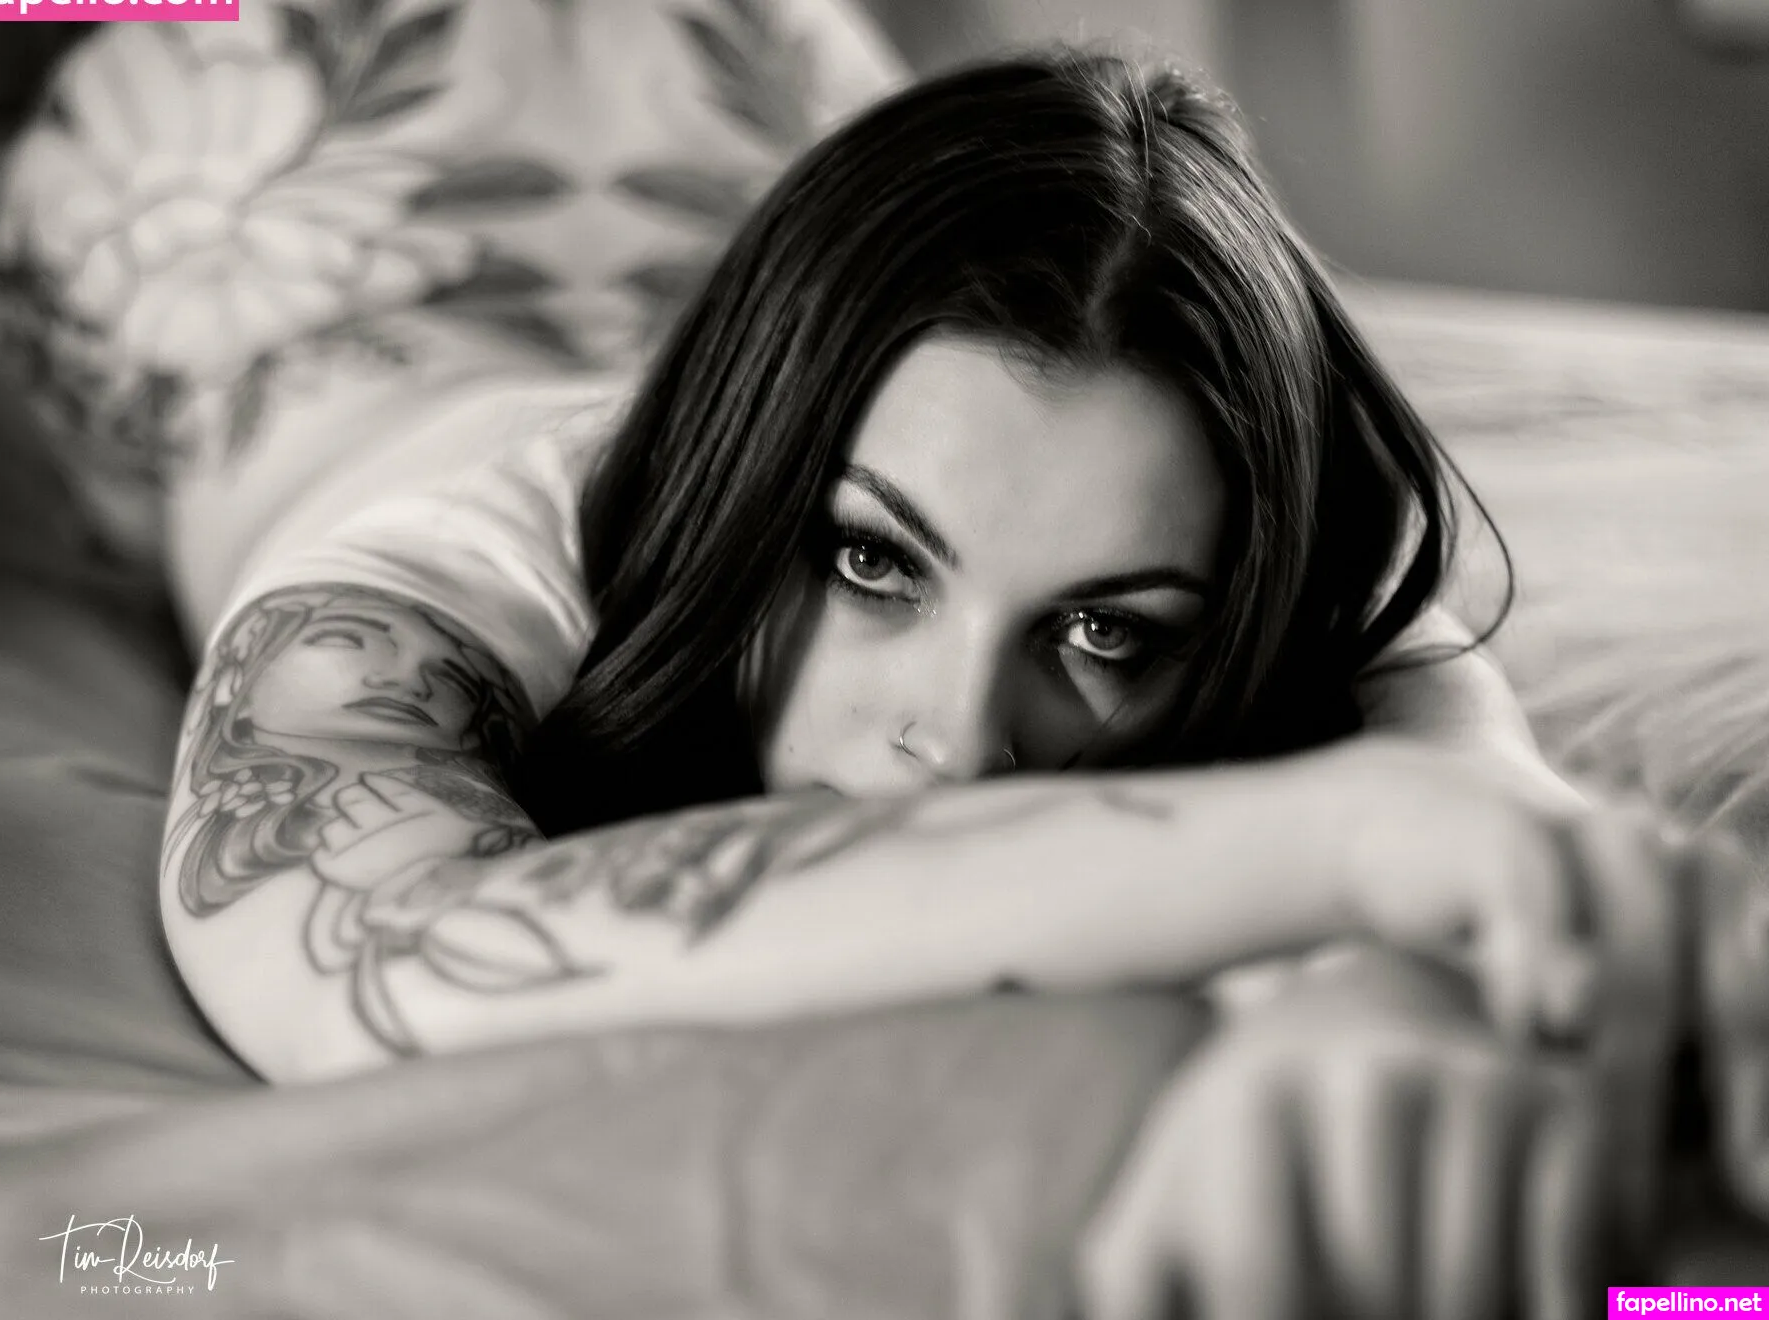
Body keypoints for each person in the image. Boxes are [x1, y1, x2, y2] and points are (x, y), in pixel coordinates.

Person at [151, 50, 1695, 1318]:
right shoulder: (412, 592)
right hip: (242, 182)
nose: (954, 747)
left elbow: (1467, 805)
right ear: (753, 494)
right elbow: (386, 965)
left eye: (1105, 635)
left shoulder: (1145, 511)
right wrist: (1328, 853)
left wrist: (1404, 974)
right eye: (872, 563)